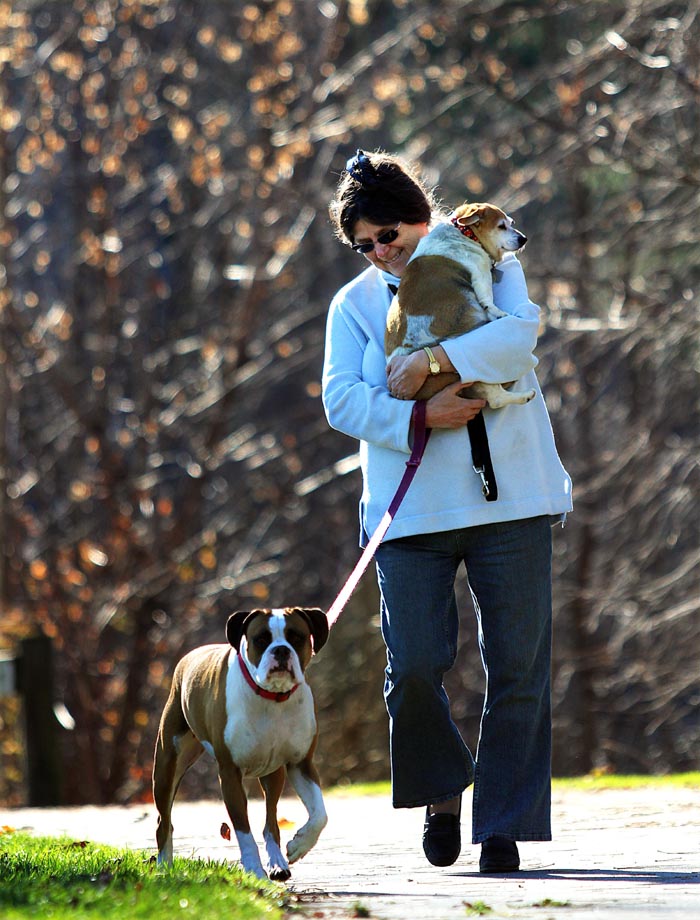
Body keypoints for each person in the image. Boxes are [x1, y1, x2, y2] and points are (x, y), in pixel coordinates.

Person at [322, 149, 572, 873]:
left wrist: (433, 363)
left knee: (519, 667)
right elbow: (342, 401)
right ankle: (442, 792)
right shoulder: (357, 306)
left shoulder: (486, 262)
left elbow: (518, 338)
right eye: (364, 244)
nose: (380, 253)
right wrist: (421, 414)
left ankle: (503, 826)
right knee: (416, 667)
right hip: (410, 519)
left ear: (421, 217)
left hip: (513, 501)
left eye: (389, 235)